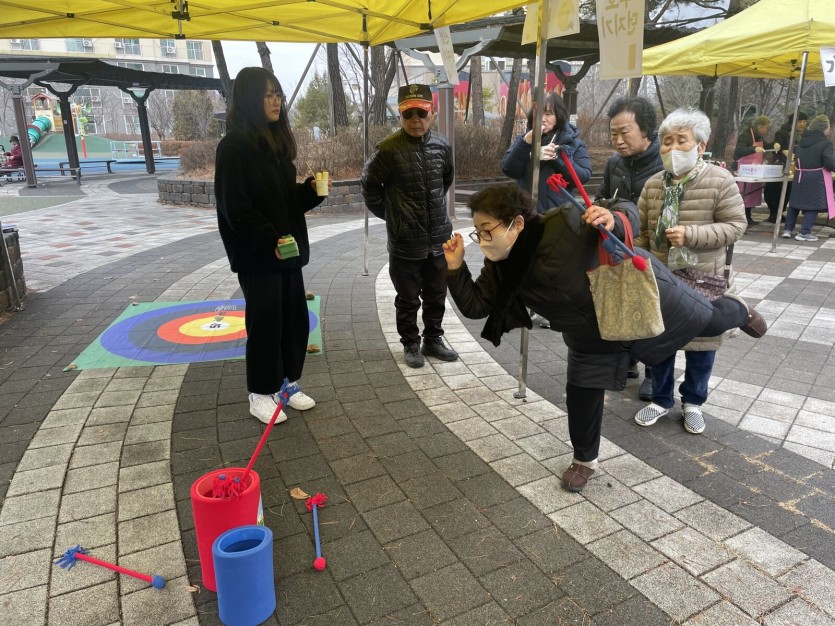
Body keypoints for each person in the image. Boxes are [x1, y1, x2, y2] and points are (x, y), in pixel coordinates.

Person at [442, 184, 765, 492]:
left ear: (517, 222)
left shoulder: (565, 221)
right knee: (581, 394)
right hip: (588, 335)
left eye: (487, 229)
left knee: (706, 320)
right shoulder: (501, 267)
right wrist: (455, 268)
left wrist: (614, 218)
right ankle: (584, 461)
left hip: (634, 295)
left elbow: (624, 207)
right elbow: (475, 306)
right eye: (478, 231)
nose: (483, 239)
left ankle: (738, 308)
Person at [215, 67, 324, 424]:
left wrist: (309, 192)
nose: (276, 101)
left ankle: (287, 383)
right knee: (265, 324)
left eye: (278, 94)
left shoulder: (274, 145)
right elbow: (236, 207)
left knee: (294, 321)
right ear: (250, 99)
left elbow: (284, 202)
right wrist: (268, 241)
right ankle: (260, 392)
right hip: (259, 255)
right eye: (268, 95)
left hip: (287, 253)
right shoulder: (233, 148)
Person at [633, 108, 746, 435]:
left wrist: (692, 235)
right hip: (663, 281)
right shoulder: (653, 185)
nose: (672, 148)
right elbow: (642, 232)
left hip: (703, 278)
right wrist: (632, 254)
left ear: (701, 145)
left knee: (702, 345)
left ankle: (693, 402)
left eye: (681, 141)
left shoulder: (719, 180)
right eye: (667, 141)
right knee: (661, 342)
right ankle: (660, 399)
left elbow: (736, 226)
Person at [362, 84, 458, 369]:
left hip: (438, 237)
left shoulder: (442, 146)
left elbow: (446, 180)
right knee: (407, 298)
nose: (416, 119)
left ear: (432, 113)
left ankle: (433, 339)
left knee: (437, 294)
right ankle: (411, 343)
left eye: (422, 113)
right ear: (400, 115)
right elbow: (369, 187)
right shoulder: (387, 149)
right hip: (405, 241)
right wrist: (394, 216)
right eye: (408, 114)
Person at [501, 91, 591, 329]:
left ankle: (552, 310)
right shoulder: (525, 140)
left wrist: (558, 158)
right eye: (539, 113)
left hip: (557, 215)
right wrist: (527, 144)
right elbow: (508, 168)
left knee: (554, 265)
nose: (543, 118)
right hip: (526, 214)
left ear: (559, 115)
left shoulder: (572, 142)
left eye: (549, 113)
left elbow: (583, 176)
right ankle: (524, 308)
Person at [595, 96, 664, 399]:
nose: (618, 140)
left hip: (654, 248)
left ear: (646, 130)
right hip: (620, 246)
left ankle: (654, 371)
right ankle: (628, 360)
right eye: (614, 133)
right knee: (625, 303)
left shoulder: (664, 162)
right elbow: (602, 197)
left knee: (654, 308)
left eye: (625, 132)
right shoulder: (614, 163)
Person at [783, 114, 835, 242]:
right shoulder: (825, 143)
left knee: (795, 203)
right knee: (813, 204)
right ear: (824, 128)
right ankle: (804, 232)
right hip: (816, 178)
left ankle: (788, 229)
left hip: (800, 175)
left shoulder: (803, 140)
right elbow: (829, 161)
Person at [733, 115, 779, 226]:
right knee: (744, 194)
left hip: (755, 170)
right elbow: (739, 151)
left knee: (751, 195)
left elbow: (765, 146)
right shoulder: (746, 135)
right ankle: (743, 218)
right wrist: (753, 149)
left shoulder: (759, 137)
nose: (766, 130)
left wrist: (774, 145)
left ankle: (748, 217)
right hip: (744, 170)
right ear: (759, 126)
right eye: (765, 127)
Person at [763, 112, 808, 224]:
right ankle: (774, 213)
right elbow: (777, 145)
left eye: (804, 122)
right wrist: (782, 149)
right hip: (780, 164)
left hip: (798, 165)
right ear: (792, 123)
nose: (802, 124)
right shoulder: (782, 133)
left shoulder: (806, 134)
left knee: (788, 190)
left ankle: (781, 212)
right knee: (774, 189)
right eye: (799, 122)